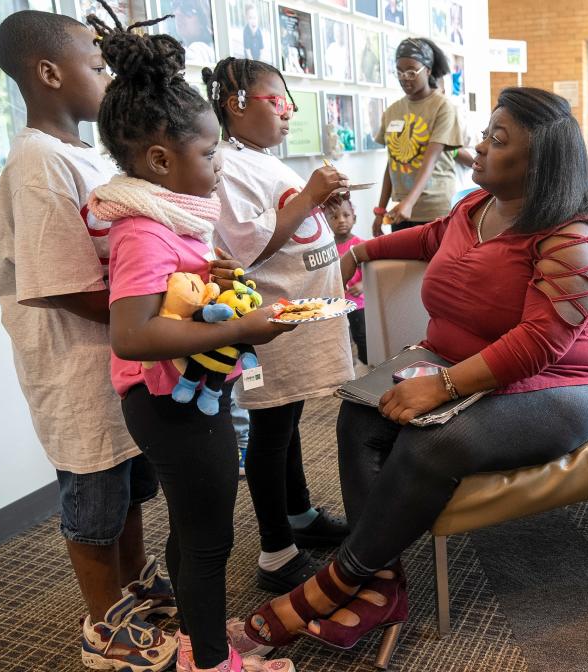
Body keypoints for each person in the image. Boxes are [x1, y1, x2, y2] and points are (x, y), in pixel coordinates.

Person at [242, 87, 588, 665]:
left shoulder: (573, 236)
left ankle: (336, 583)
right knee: (358, 414)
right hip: (461, 366)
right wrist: (360, 251)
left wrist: (442, 387)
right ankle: (381, 585)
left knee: (434, 440)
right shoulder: (475, 209)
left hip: (568, 383)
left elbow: (541, 344)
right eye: (486, 132)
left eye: (497, 141)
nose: (478, 146)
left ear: (540, 164)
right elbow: (428, 237)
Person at [86, 5, 298, 670]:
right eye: (209, 154)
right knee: (209, 543)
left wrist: (208, 276)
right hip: (171, 407)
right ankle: (212, 663)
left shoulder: (165, 222)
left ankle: (193, 639)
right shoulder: (145, 228)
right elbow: (132, 331)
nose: (217, 165)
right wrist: (244, 324)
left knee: (192, 533)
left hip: (182, 400)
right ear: (158, 159)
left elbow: (167, 295)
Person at [0, 10, 178, 671]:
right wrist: (156, 317)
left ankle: (132, 591)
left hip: (113, 364)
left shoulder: (79, 155)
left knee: (127, 486)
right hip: (74, 368)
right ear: (48, 73)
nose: (107, 76)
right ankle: (105, 628)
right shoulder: (37, 161)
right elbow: (58, 283)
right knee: (93, 500)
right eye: (97, 66)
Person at [202, 57, 354, 596]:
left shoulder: (265, 160)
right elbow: (245, 248)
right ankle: (275, 551)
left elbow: (296, 230)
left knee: (287, 425)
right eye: (276, 101)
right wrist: (311, 197)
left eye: (288, 102)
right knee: (271, 429)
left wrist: (335, 221)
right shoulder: (224, 164)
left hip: (299, 319)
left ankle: (299, 513)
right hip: (270, 323)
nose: (288, 112)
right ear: (236, 102)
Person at [372, 38, 463, 236]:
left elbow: (431, 158)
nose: (405, 77)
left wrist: (409, 202)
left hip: (435, 210)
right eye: (399, 71)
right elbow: (392, 163)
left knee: (434, 267)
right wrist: (380, 211)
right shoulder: (392, 111)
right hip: (401, 211)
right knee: (404, 266)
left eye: (412, 71)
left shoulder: (442, 107)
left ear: (428, 70)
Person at [326, 199, 367, 365]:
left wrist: (363, 284)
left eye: (346, 215)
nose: (341, 220)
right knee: (341, 337)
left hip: (358, 304)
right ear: (326, 222)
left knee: (361, 336)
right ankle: (347, 365)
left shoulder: (361, 245)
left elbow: (371, 273)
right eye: (334, 217)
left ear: (354, 218)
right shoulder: (327, 247)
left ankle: (367, 364)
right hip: (337, 304)